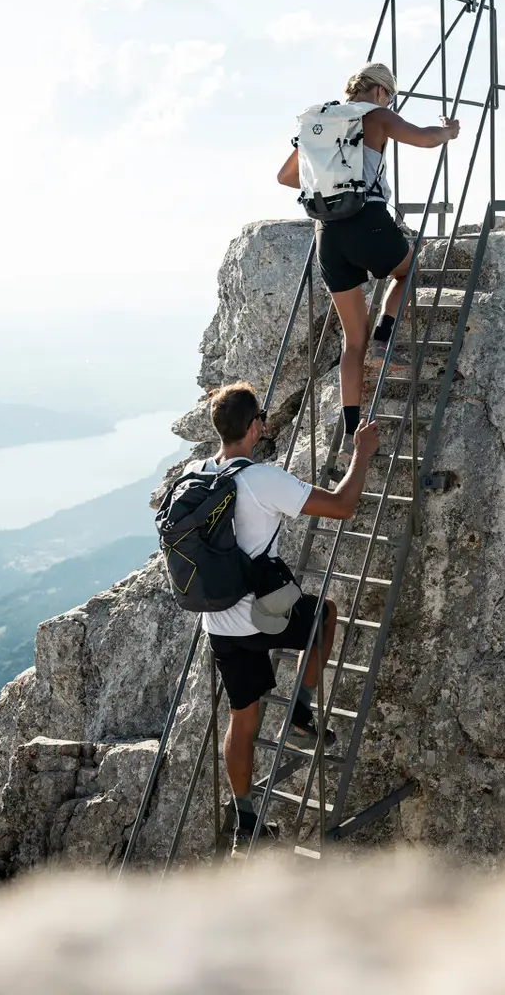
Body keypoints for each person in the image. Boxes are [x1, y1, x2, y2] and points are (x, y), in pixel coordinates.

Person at [201, 381, 378, 855]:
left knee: (243, 719)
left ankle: (245, 820)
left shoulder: (197, 475)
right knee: (324, 616)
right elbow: (341, 506)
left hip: (219, 623)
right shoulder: (262, 479)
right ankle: (301, 711)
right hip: (261, 614)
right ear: (256, 426)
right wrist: (361, 452)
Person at [276, 62, 460, 464]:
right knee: (409, 269)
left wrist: (328, 178)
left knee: (350, 342)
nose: (389, 102)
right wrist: (449, 130)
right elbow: (426, 140)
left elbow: (286, 177)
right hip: (369, 223)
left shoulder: (319, 123)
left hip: (327, 234)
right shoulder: (376, 116)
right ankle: (386, 334)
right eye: (390, 97)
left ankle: (351, 434)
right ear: (380, 92)